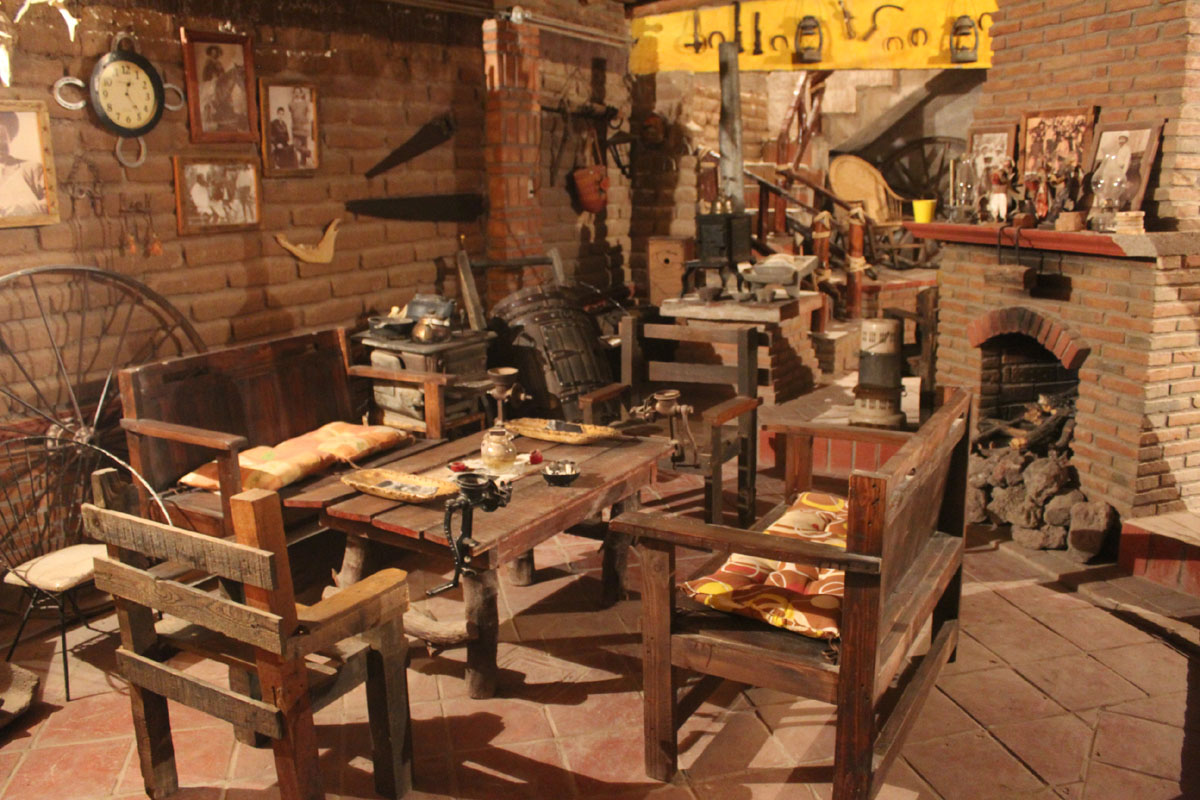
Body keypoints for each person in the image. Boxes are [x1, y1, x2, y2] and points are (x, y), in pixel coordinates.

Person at [0, 111, 49, 218]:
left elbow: (52, 203)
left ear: (10, 139)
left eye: (3, 144)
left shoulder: (31, 168)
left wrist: (23, 210)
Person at [288, 88, 311, 166]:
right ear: (293, 93)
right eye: (295, 92)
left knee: (304, 144)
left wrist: (307, 125)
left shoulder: (305, 103)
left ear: (301, 93)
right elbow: (291, 113)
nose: (297, 94)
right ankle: (308, 152)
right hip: (295, 127)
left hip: (303, 126)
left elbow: (308, 114)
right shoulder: (291, 104)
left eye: (298, 92)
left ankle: (303, 162)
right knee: (296, 145)